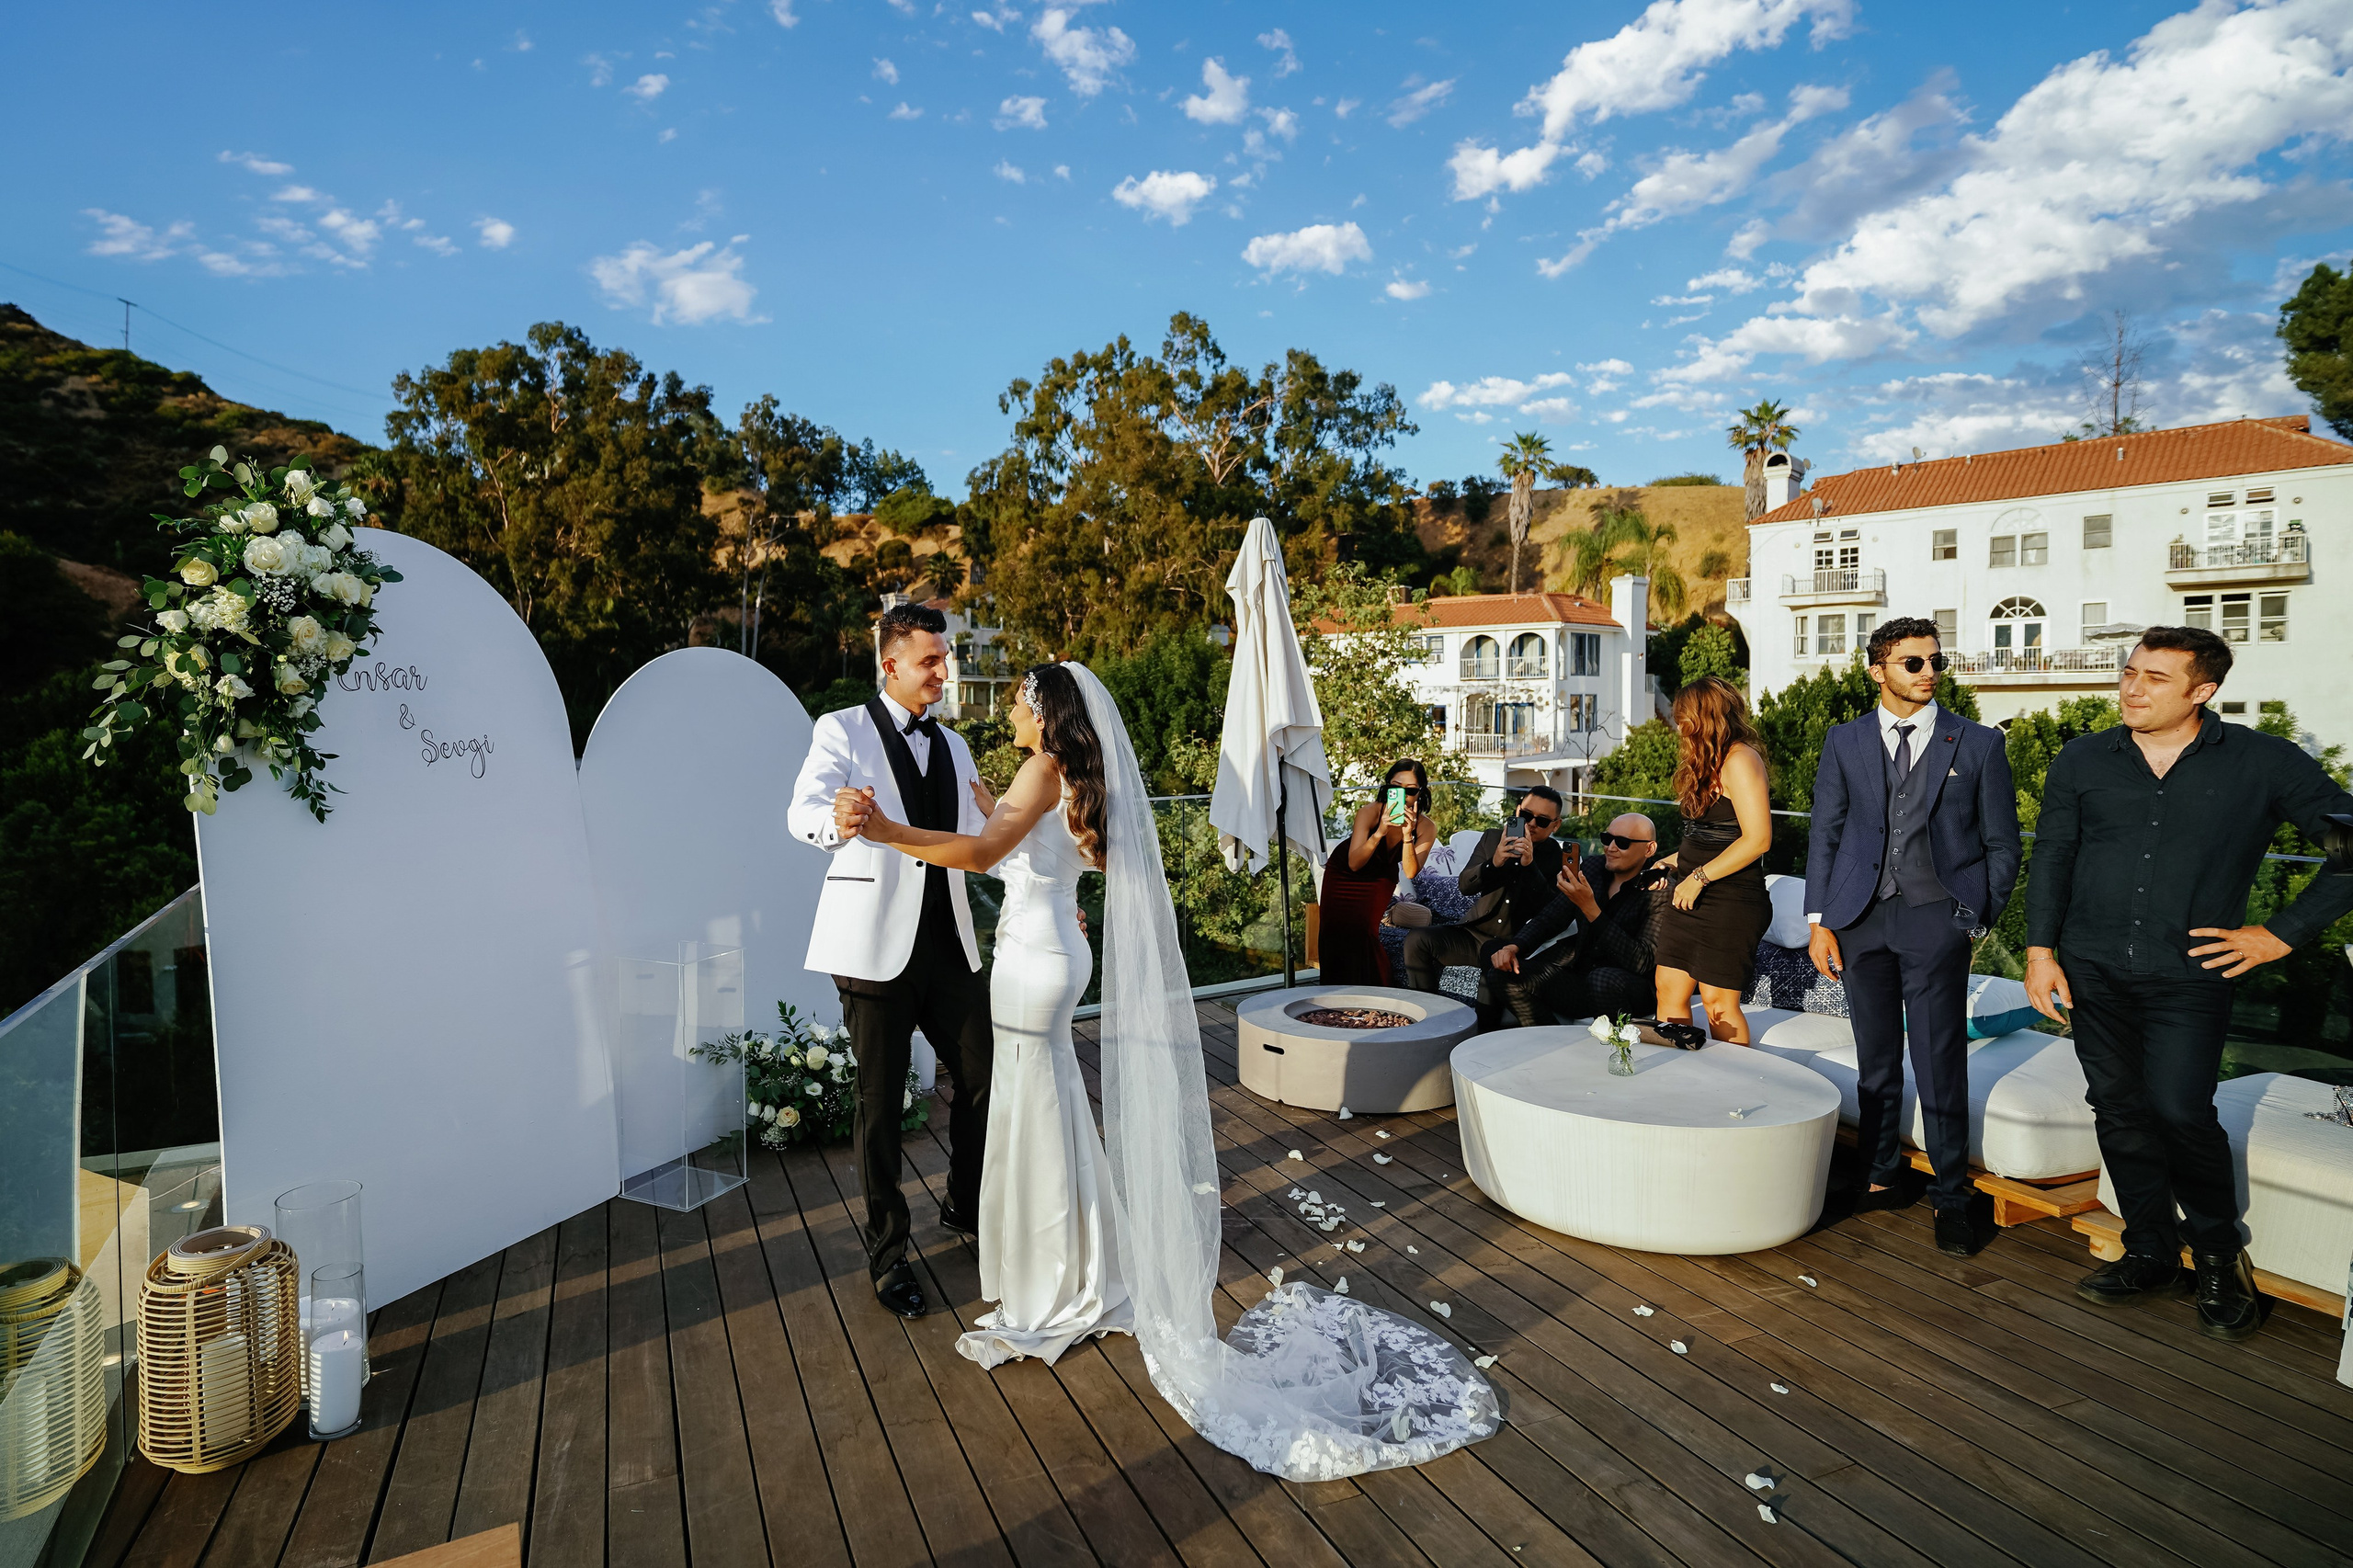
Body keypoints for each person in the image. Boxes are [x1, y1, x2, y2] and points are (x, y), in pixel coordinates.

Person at [849, 659, 1501, 1478]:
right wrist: (994, 818)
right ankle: (1076, 1267)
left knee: (1034, 1112)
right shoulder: (1070, 779)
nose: (1011, 712)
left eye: (1018, 702)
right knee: (1049, 1106)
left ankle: (1053, 1281)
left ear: (1044, 713)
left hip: (1030, 964)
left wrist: (886, 832)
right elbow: (1039, 851)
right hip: (1055, 953)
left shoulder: (1040, 768)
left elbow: (984, 855)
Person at [2026, 627, 2353, 1340]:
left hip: (2192, 974)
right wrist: (2039, 951)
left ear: (2202, 691)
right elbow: (2053, 854)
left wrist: (2282, 933)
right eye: (2130, 672)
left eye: (2155, 678)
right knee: (2117, 1107)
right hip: (2091, 967)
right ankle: (2148, 1249)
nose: (2131, 688)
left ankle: (2216, 1254)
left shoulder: (2266, 762)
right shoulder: (2084, 758)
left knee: (2180, 1111)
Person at [787, 601, 995, 1321]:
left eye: (945, 657)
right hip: (872, 948)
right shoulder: (840, 729)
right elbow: (801, 811)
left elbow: (982, 841)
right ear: (891, 664)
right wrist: (836, 820)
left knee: (982, 1078)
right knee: (880, 1106)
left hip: (951, 946)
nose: (944, 670)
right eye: (931, 659)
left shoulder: (957, 746)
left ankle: (964, 1205)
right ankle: (887, 1254)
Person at [1805, 618, 2021, 1257]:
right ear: (1878, 671)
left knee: (1938, 1061)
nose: (1929, 673)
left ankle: (1951, 1195)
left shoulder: (1978, 743)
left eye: (1935, 661)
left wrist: (1974, 918)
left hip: (1937, 917)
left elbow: (2003, 843)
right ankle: (1880, 1177)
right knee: (1874, 1061)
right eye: (1913, 663)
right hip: (1859, 917)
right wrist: (1820, 920)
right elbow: (1826, 831)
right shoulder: (1844, 739)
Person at [1652, 676, 1773, 1044]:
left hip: (1730, 899)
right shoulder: (1705, 763)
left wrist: (1698, 877)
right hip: (1691, 894)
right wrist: (1670, 862)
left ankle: (1731, 1079)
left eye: (1684, 718)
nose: (1679, 727)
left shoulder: (1741, 760)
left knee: (1717, 1003)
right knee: (1667, 987)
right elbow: (1710, 838)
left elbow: (1758, 839)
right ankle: (1678, 1069)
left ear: (1705, 718)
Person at [1401, 786, 1567, 1026]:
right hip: (1473, 933)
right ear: (1517, 811)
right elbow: (1465, 885)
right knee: (1418, 940)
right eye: (1526, 815)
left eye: (1541, 821)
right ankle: (1428, 1020)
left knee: (1495, 966)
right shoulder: (1491, 838)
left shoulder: (1557, 857)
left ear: (1555, 825)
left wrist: (1530, 866)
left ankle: (1482, 1037)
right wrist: (1495, 862)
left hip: (1513, 943)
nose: (1531, 824)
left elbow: (1551, 910)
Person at [1483, 812, 1665, 1026]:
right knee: (1500, 973)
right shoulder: (1593, 869)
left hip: (1629, 989)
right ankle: (1550, 1038)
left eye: (1623, 843)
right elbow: (1552, 917)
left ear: (1649, 849)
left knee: (1602, 979)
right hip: (1582, 977)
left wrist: (1590, 908)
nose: (1611, 848)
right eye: (1607, 839)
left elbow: (1641, 961)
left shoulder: (1659, 890)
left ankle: (1615, 1044)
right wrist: (1514, 947)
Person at [1319, 758, 1438, 985]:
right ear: (1387, 787)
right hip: (1344, 874)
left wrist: (1407, 836)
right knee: (1334, 933)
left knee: (1366, 933)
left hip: (1381, 877)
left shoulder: (1426, 827)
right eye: (1396, 788)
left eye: (1410, 790)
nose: (1403, 796)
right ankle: (1334, 997)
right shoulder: (1369, 812)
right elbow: (1354, 863)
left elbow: (1411, 872)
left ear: (1421, 793)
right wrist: (1380, 831)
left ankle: (1377, 992)